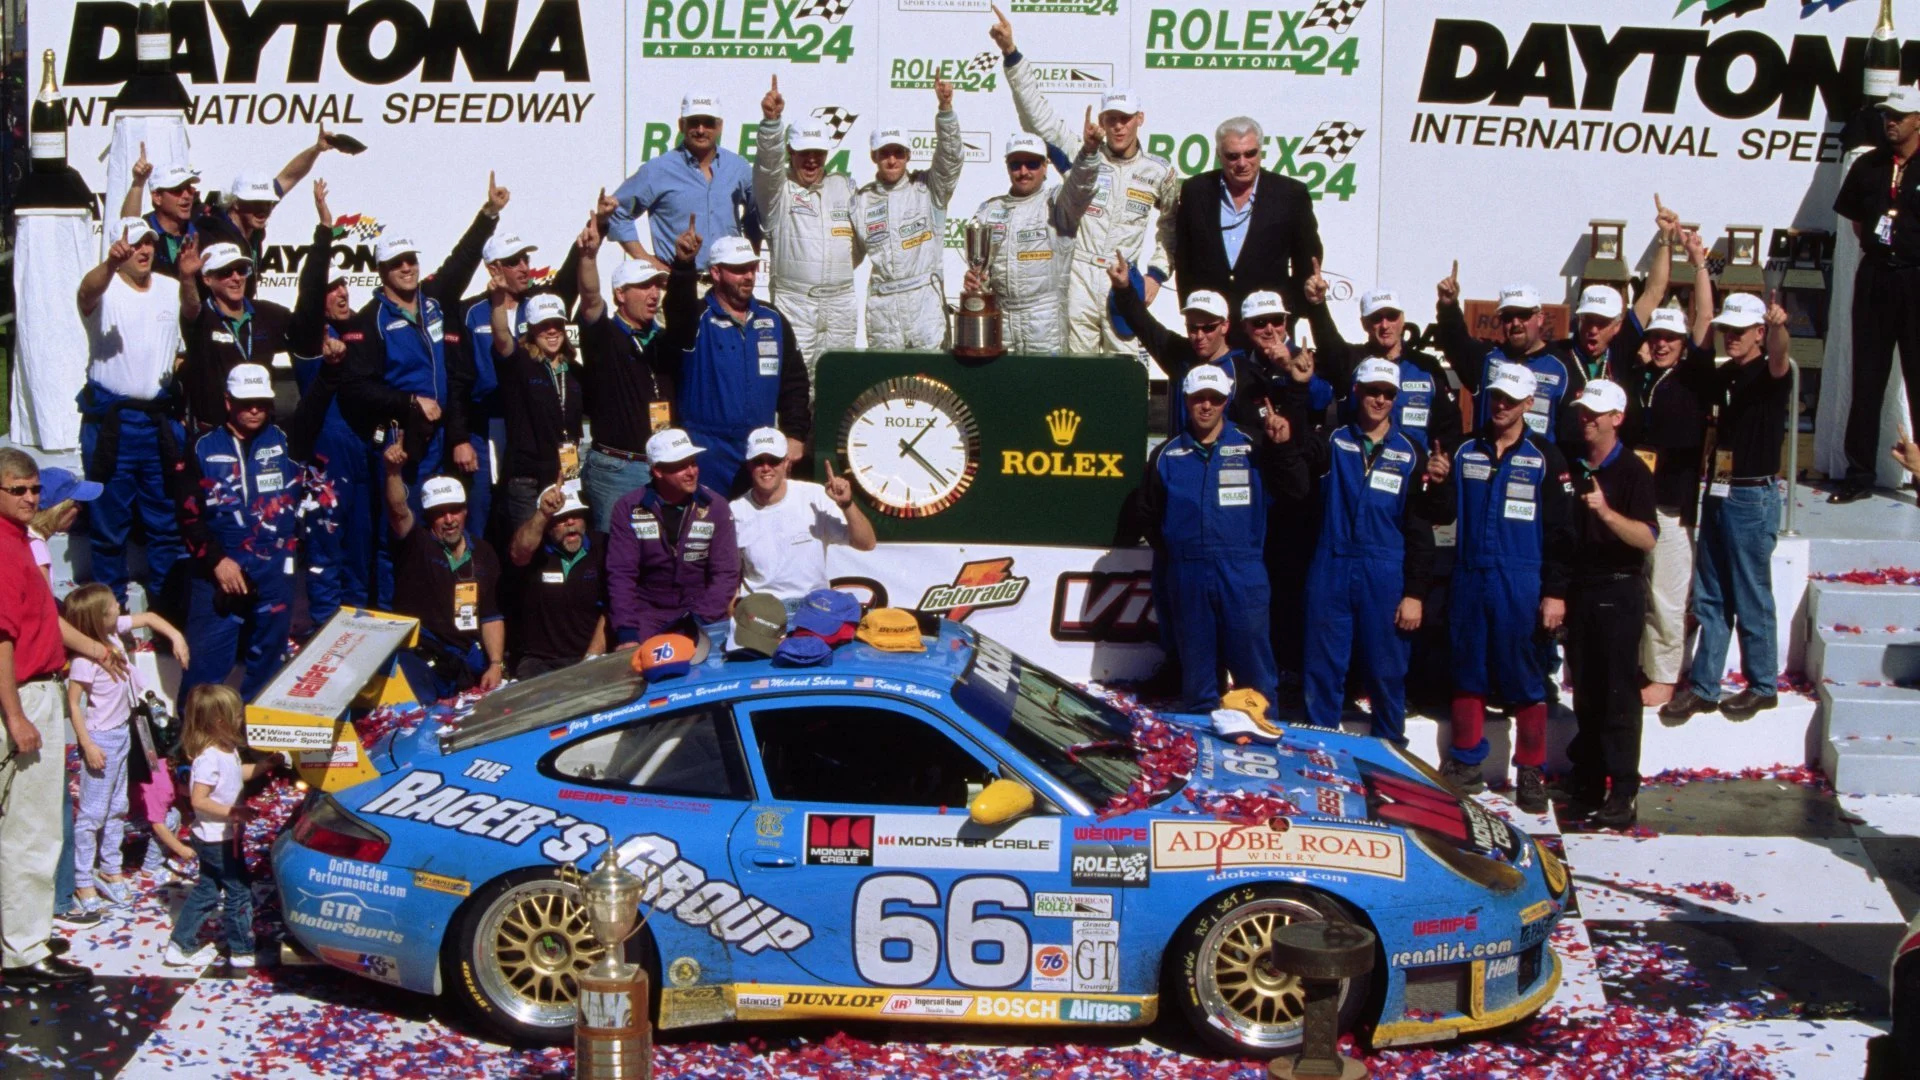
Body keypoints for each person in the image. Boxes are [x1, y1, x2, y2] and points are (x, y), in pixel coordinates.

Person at [338, 175, 504, 604]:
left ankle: (447, 619)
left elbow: (460, 261)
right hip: (402, 443)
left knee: (451, 533)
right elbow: (355, 386)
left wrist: (488, 216)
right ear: (382, 272)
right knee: (398, 533)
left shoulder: (434, 302)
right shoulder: (369, 320)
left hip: (445, 440)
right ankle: (396, 623)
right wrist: (408, 401)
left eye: (411, 260)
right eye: (397, 263)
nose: (407, 268)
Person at [1269, 359, 1452, 745]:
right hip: (1331, 567)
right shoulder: (1333, 441)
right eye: (1372, 390)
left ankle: (1392, 760)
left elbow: (1421, 531)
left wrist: (1415, 593)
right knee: (1323, 670)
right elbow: (1295, 456)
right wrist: (1297, 395)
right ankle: (1321, 756)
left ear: (1397, 398)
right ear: (1356, 391)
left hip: (1384, 574)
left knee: (1387, 672)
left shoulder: (1411, 452)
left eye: (1387, 393)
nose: (1379, 399)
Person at [992, 6, 1179, 354]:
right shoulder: (1082, 155)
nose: (1118, 126)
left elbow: (1172, 226)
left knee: (1125, 371)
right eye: (1111, 119)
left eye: (1125, 118)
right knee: (1080, 373)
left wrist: (1156, 274)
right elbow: (1038, 118)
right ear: (1103, 121)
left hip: (1122, 278)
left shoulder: (1159, 171)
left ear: (1140, 119)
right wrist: (1011, 55)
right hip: (1078, 274)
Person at [1440, 364, 1574, 813]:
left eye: (1511, 400)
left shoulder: (1546, 458)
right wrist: (1436, 482)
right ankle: (1465, 763)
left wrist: (1555, 592)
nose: (1501, 406)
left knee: (1526, 677)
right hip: (1470, 574)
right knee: (1467, 668)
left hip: (1521, 579)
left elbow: (1560, 532)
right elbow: (1439, 512)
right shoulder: (1464, 451)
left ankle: (1531, 770)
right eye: (1496, 396)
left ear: (1529, 404)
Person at [1661, 292, 1794, 723]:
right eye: (1726, 331)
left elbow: (1780, 356)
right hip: (1718, 489)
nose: (1731, 338)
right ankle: (1704, 684)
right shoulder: (1725, 377)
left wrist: (1778, 328)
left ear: (1758, 333)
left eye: (1740, 331)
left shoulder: (1772, 375)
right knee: (1710, 592)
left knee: (1751, 591)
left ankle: (1762, 684)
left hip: (1752, 495)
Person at [0, 448, 93, 984]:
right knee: (30, 829)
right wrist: (16, 715)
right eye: (20, 490)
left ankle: (23, 931)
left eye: (35, 489)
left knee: (25, 826)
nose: (32, 499)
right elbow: (3, 639)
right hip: (24, 694)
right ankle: (22, 950)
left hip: (34, 689)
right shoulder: (6, 551)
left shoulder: (20, 544)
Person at [1137, 366, 1279, 717]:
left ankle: (1264, 747)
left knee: (1255, 677)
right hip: (1188, 573)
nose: (1206, 406)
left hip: (1242, 571)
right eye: (1198, 398)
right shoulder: (1167, 455)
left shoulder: (1253, 447)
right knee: (1198, 678)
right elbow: (1149, 514)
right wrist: (1179, 550)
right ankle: (1203, 753)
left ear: (1226, 401)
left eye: (1214, 399)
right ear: (1185, 401)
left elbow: (1291, 495)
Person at [456, 195, 597, 535]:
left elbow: (570, 276)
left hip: (535, 429)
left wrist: (596, 234)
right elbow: (458, 380)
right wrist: (458, 436)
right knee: (485, 507)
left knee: (540, 506)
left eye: (526, 259)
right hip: (488, 424)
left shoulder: (540, 307)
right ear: (494, 269)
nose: (524, 267)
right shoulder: (469, 312)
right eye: (514, 261)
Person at [1559, 380, 1659, 827]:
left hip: (1618, 589)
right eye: (1583, 411)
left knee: (1618, 693)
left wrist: (1605, 512)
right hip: (1582, 587)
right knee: (1587, 689)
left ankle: (1623, 790)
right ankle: (1589, 777)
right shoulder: (1574, 464)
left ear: (1617, 418)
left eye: (1595, 413)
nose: (1587, 419)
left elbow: (1648, 537)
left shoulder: (1634, 472)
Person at [171, 363, 303, 700]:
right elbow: (188, 516)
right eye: (246, 402)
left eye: (261, 401)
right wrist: (216, 561)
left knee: (268, 664)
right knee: (206, 665)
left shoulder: (287, 439)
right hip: (220, 570)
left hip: (273, 571)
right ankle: (192, 741)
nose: (255, 409)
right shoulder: (201, 445)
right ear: (228, 401)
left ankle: (256, 737)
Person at [77, 217, 189, 609]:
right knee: (109, 526)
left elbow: (183, 334)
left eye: (149, 244)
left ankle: (168, 611)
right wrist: (109, 265)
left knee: (165, 523)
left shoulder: (170, 289)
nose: (144, 251)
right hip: (112, 425)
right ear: (118, 250)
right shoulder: (103, 290)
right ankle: (111, 618)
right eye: (135, 245)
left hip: (158, 424)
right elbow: (84, 292)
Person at [1627, 225, 1717, 707]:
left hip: (1671, 505)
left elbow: (1704, 314)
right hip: (1635, 502)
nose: (1662, 344)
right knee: (1636, 591)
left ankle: (1664, 673)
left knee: (1665, 594)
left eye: (1670, 338)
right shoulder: (1642, 378)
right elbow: (1649, 300)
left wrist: (1697, 260)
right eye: (1657, 337)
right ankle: (1641, 665)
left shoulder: (1694, 377)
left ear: (1684, 343)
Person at [62, 583, 186, 911]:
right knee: (92, 814)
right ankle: (83, 880)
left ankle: (111, 868)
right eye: (112, 606)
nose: (120, 606)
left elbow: (149, 617)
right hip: (100, 739)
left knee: (117, 806)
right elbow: (74, 704)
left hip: (123, 733)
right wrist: (86, 744)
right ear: (97, 618)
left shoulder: (113, 633)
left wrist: (176, 635)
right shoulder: (85, 660)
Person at [667, 226, 812, 498]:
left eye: (751, 268)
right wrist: (684, 266)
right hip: (707, 450)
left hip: (759, 451)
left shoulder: (773, 318)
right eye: (738, 269)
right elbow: (676, 308)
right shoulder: (694, 319)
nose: (747, 276)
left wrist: (795, 433)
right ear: (716, 273)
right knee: (709, 533)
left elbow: (794, 382)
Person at [1830, 84, 1920, 504]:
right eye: (1887, 115)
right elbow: (1856, 224)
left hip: (1916, 277)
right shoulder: (1868, 165)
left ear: (1918, 119)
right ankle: (1858, 474)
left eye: (1899, 116)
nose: (1891, 122)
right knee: (1867, 378)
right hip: (1876, 276)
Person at [575, 237, 696, 533]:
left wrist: (683, 265)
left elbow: (683, 309)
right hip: (618, 469)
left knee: (661, 556)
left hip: (663, 467)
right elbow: (590, 300)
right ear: (620, 294)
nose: (653, 293)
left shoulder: (663, 340)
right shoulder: (603, 337)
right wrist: (589, 257)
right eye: (644, 286)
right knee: (616, 557)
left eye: (656, 285)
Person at [284, 179, 363, 625]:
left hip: (362, 461)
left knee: (362, 559)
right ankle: (325, 648)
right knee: (325, 561)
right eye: (333, 288)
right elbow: (311, 291)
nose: (342, 292)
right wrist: (324, 233)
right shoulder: (309, 341)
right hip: (325, 465)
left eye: (345, 285)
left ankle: (366, 654)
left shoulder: (360, 336)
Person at [380, 444, 506, 699]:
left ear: (466, 510)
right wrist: (393, 472)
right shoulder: (416, 543)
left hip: (465, 661)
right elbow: (398, 511)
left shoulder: (484, 552)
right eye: (439, 513)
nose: (449, 519)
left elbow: (491, 616)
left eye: (455, 510)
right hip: (420, 657)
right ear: (428, 517)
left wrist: (495, 664)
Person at [162, 684, 272, 970]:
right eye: (237, 715)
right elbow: (199, 800)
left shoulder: (228, 749)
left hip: (220, 835)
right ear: (220, 722)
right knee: (238, 891)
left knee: (208, 891)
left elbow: (238, 772)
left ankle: (180, 944)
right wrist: (232, 811)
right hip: (215, 839)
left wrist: (264, 766)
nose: (242, 719)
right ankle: (242, 949)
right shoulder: (209, 757)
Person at [756, 76, 860, 371]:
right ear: (790, 152)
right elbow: (766, 166)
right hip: (796, 302)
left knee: (838, 380)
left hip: (841, 303)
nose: (812, 161)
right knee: (795, 380)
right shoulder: (778, 191)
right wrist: (771, 124)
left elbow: (861, 244)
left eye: (818, 153)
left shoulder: (843, 186)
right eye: (804, 154)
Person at [1171, 116, 1323, 318]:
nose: (1242, 163)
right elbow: (1184, 257)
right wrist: (1191, 312)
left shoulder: (1291, 194)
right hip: (1212, 325)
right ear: (1219, 155)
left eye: (1250, 154)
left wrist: (1293, 311)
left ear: (1261, 151)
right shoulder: (1195, 190)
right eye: (1233, 156)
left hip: (1268, 324)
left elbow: (1306, 260)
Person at [854, 80, 964, 350]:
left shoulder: (928, 188)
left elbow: (950, 158)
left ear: (908, 155)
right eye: (885, 154)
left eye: (898, 153)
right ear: (873, 156)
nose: (892, 160)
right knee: (887, 384)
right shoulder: (861, 201)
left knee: (932, 383)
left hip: (925, 303)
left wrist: (946, 110)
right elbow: (846, 257)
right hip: (883, 307)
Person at [964, 132, 1096, 354]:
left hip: (1045, 323)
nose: (1023, 172)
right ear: (1007, 166)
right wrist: (977, 283)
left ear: (1045, 166)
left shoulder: (1057, 203)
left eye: (1032, 164)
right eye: (1016, 164)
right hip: (1001, 319)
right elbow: (981, 270)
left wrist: (1089, 154)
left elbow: (1081, 187)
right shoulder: (990, 210)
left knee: (1045, 387)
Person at [606, 430, 741, 647]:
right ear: (658, 470)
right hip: (648, 615)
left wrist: (697, 621)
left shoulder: (716, 506)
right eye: (680, 466)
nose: (691, 472)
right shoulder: (629, 508)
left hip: (703, 613)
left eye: (693, 463)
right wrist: (627, 632)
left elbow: (726, 573)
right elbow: (621, 575)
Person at [1106, 265, 1269, 441]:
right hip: (1181, 461)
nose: (1199, 336)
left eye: (1208, 328)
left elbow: (1255, 434)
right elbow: (1141, 322)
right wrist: (1124, 288)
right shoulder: (1178, 355)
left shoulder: (1244, 370)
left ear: (1224, 326)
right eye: (1193, 328)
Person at [1301, 286, 1463, 454]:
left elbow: (1449, 425)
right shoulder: (1352, 361)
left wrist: (1441, 460)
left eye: (1392, 316)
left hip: (1412, 472)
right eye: (1376, 318)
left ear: (1402, 319)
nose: (1385, 325)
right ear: (1364, 323)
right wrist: (1317, 306)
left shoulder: (1426, 366)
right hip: (1359, 468)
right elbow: (1328, 343)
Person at [609, 91, 759, 271]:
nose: (701, 130)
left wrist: (750, 260)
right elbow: (616, 212)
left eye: (708, 123)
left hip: (727, 286)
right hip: (677, 282)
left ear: (720, 126)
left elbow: (756, 216)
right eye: (694, 122)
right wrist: (649, 262)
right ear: (681, 125)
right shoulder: (658, 169)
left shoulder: (738, 167)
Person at [732, 427, 876, 604]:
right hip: (762, 610)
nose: (766, 468)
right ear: (749, 465)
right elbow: (728, 575)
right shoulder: (736, 511)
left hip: (813, 606)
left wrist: (846, 504)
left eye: (774, 460)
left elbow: (866, 543)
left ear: (786, 463)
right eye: (758, 461)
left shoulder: (814, 496)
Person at [1433, 270, 1574, 445]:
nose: (1515, 323)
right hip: (1487, 463)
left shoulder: (1562, 367)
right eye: (1508, 317)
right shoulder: (1486, 358)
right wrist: (1448, 307)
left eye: (1523, 315)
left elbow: (1570, 432)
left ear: (1539, 318)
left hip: (1537, 467)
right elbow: (1455, 342)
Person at [173, 238, 293, 434]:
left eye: (241, 270)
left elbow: (305, 329)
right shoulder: (201, 318)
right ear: (207, 279)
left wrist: (327, 337)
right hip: (215, 434)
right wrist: (186, 278)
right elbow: (190, 307)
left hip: (262, 430)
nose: (236, 278)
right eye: (226, 272)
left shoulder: (268, 313)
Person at [491, 285, 583, 529]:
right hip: (527, 479)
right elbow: (501, 337)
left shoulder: (572, 370)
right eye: (544, 325)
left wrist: (569, 474)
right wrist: (499, 299)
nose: (552, 330)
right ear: (531, 330)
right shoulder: (519, 362)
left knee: (562, 545)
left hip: (565, 476)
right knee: (525, 550)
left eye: (557, 323)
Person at [504, 488, 606, 679]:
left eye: (576, 515)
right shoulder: (535, 552)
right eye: (561, 518)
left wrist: (591, 659)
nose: (570, 522)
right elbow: (519, 552)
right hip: (540, 661)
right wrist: (543, 512)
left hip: (591, 657)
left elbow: (612, 608)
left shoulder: (602, 547)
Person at [116, 144, 200, 279]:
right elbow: (128, 226)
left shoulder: (202, 229)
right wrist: (138, 183)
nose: (186, 196)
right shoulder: (146, 231)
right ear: (157, 197)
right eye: (177, 189)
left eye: (189, 189)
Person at [27, 467, 102, 582]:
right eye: (76, 503)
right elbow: (42, 599)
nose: (80, 508)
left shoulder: (25, 537)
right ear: (59, 510)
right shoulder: (37, 549)